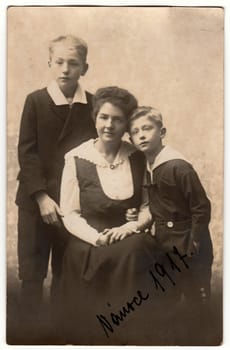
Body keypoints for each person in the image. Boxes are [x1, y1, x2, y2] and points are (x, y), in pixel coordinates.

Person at [59, 87, 156, 345]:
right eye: (104, 117)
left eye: (117, 119)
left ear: (127, 124)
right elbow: (69, 213)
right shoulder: (76, 158)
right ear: (95, 117)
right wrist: (96, 238)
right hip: (91, 242)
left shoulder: (137, 157)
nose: (109, 125)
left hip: (128, 238)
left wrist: (132, 226)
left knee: (137, 248)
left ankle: (130, 333)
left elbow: (148, 206)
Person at [15, 35, 97, 322]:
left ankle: (61, 329)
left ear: (84, 68)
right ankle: (27, 329)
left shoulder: (93, 105)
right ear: (50, 64)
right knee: (32, 269)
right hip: (36, 199)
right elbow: (27, 151)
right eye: (59, 62)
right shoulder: (36, 101)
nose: (65, 69)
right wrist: (40, 196)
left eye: (73, 63)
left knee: (68, 268)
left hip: (71, 202)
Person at [129, 106, 214, 343]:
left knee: (197, 295)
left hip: (189, 243)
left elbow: (201, 207)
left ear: (162, 131)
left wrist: (195, 240)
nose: (142, 135)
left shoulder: (177, 166)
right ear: (131, 139)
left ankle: (205, 339)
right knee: (169, 294)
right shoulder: (150, 167)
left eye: (147, 128)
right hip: (167, 244)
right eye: (135, 132)